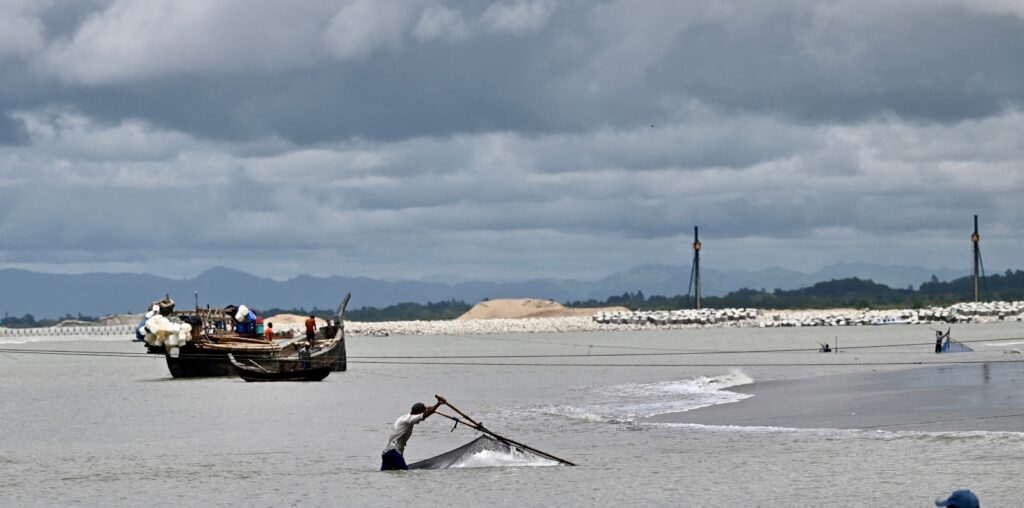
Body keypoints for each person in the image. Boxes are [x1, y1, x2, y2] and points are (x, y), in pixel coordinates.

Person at [381, 395, 447, 471]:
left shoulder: (404, 418)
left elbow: (422, 414)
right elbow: (424, 415)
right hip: (394, 452)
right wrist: (438, 404)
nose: (421, 420)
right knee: (404, 474)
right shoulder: (409, 420)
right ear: (417, 413)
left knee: (386, 473)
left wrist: (427, 408)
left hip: (386, 453)